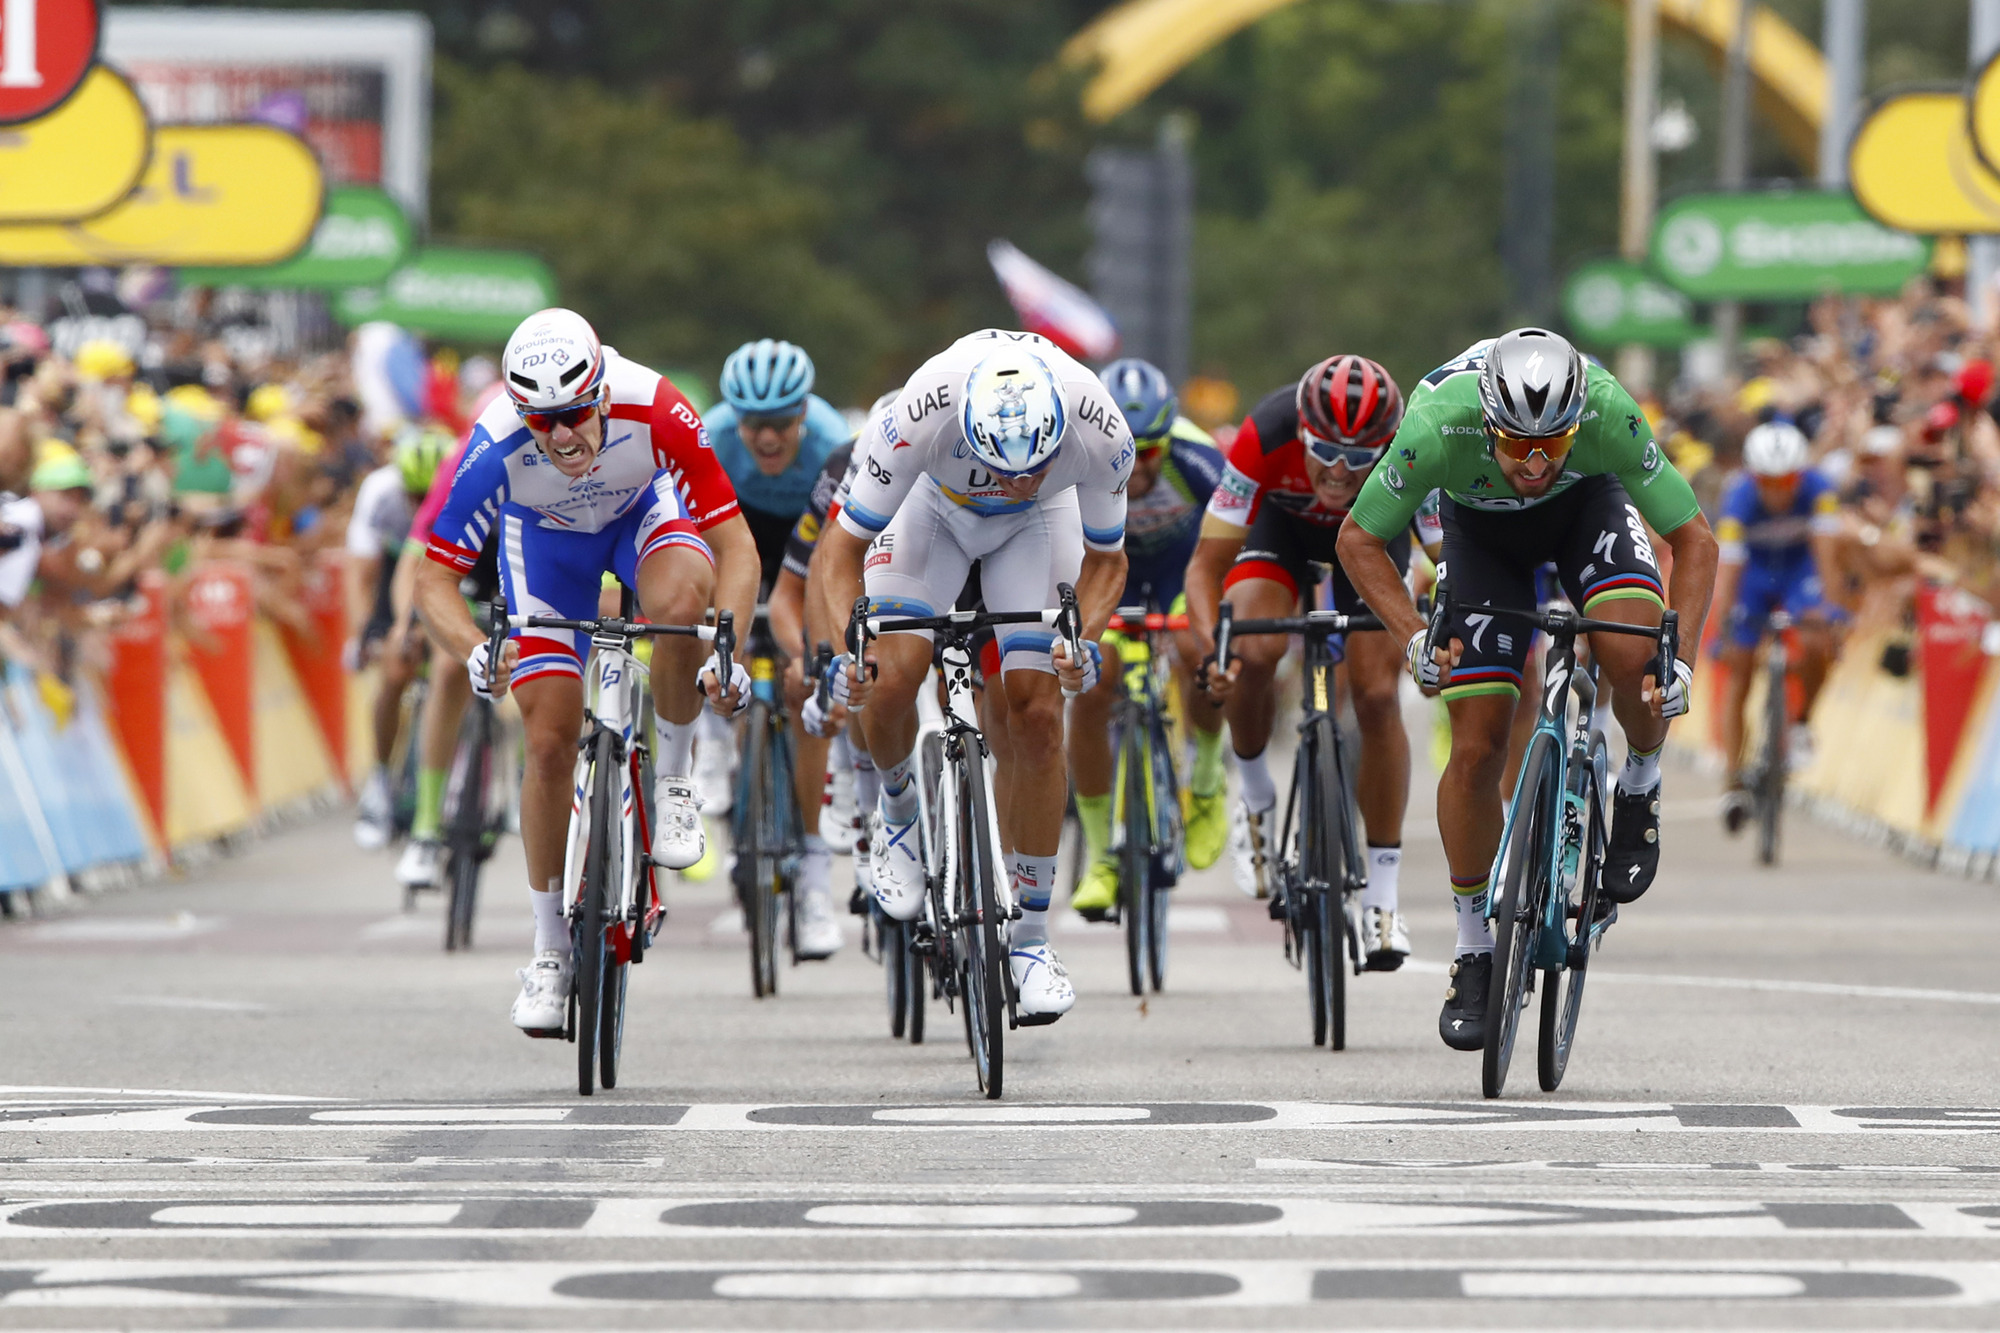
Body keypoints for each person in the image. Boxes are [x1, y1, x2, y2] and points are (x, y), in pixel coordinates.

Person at [1336, 327, 1717, 1052]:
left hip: (1587, 512)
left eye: (1553, 443)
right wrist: (1412, 635)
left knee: (1634, 653)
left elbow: (1696, 538)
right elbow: (1358, 540)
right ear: (1487, 424)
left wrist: (1683, 663)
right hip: (1482, 536)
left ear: (1578, 422)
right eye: (1517, 445)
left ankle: (1639, 783)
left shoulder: (1606, 410)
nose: (1536, 463)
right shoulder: (1438, 424)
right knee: (1477, 747)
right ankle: (1474, 948)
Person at [413, 308, 760, 1035]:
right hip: (546, 551)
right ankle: (549, 950)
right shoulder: (494, 445)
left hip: (642, 519)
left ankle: (673, 783)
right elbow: (433, 580)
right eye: (543, 422)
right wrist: (473, 647)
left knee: (678, 604)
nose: (563, 436)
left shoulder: (656, 405)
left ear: (601, 393)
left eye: (574, 413)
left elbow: (735, 544)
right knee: (547, 740)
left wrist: (726, 648)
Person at [817, 329, 1135, 1023]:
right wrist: (852, 647)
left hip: (1038, 526)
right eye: (1003, 468)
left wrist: (1081, 639)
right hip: (930, 508)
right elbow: (838, 552)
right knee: (891, 676)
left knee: (1038, 714)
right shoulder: (920, 412)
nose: (1017, 480)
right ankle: (898, 809)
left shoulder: (1100, 427)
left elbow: (1109, 562)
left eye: (1035, 466)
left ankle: (1032, 941)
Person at [1185, 354, 1415, 971]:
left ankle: (1383, 899)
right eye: (1325, 452)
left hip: (1370, 539)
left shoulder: (1411, 443)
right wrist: (1215, 652)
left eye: (1359, 458)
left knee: (1377, 696)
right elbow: (1206, 567)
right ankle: (1256, 797)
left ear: (1386, 445)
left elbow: (1445, 555)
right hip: (1279, 532)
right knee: (1253, 650)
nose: (1339, 471)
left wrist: (1435, 635)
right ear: (1302, 432)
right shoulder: (1265, 432)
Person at [700, 339, 854, 955]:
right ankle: (716, 739)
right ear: (734, 418)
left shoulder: (831, 442)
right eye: (753, 424)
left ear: (804, 414)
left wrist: (810, 649)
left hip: (806, 542)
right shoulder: (711, 438)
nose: (767, 438)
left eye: (782, 423)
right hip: (734, 535)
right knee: (718, 635)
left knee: (804, 682)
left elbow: (829, 561)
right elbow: (695, 543)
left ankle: (813, 872)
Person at [1066, 358, 1229, 919]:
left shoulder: (1198, 458)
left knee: (1198, 654)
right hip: (1112, 576)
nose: (1140, 464)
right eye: (1130, 450)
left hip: (1183, 573)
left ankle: (1205, 780)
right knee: (1093, 683)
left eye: (1153, 450)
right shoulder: (1079, 458)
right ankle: (1100, 855)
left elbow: (1239, 539)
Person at [1712, 419, 1843, 825]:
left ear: (1800, 475)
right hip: (1754, 577)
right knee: (1740, 670)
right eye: (1767, 481)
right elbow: (1729, 570)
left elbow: (1826, 554)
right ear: (1753, 476)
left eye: (1786, 480)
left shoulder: (1819, 489)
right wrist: (1724, 626)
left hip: (1798, 571)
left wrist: (1830, 609)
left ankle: (1802, 723)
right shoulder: (1738, 498)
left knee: (1816, 641)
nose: (1777, 490)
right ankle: (1732, 779)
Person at [349, 424, 451, 853]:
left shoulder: (459, 486)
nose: (419, 504)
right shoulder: (380, 492)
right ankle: (378, 778)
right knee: (394, 671)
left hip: (448, 566)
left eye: (428, 495)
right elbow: (361, 574)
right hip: (397, 571)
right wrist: (365, 633)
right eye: (413, 495)